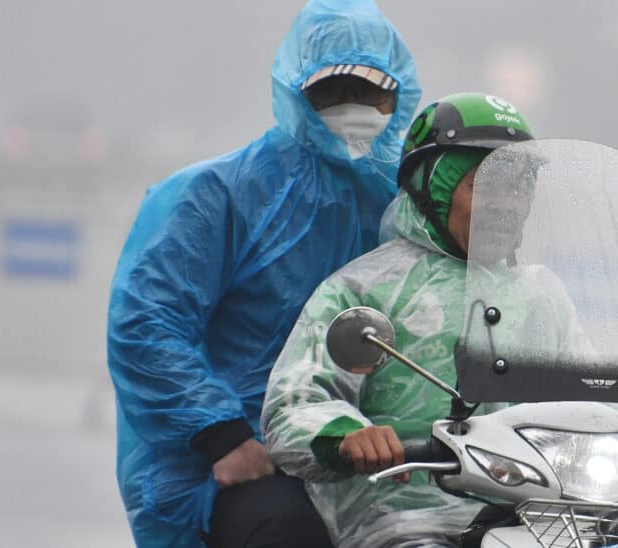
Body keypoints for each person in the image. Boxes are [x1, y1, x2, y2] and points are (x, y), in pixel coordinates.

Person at [261, 93, 618, 548]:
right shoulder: (363, 289)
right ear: (433, 191)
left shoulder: (540, 293)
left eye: (517, 186)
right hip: (409, 516)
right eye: (484, 185)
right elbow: (296, 403)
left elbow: (594, 399)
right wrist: (348, 436)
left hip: (541, 515)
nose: (506, 203)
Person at [106, 1, 421, 546]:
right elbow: (147, 324)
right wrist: (222, 436)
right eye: (333, 90)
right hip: (247, 462)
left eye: (373, 92)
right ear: (296, 91)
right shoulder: (217, 195)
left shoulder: (407, 203)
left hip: (383, 465)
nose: (355, 106)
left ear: (400, 97)